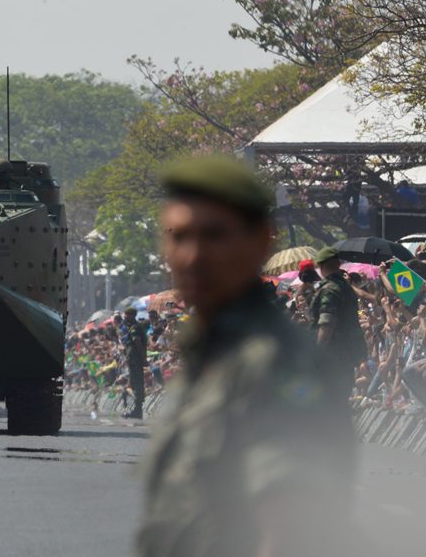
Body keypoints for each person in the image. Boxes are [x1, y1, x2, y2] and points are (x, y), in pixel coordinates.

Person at [137, 154, 357, 557]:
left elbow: (289, 532)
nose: (194, 256)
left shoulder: (275, 363)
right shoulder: (215, 352)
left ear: (260, 241)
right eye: (179, 236)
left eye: (214, 235)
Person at [311, 247, 367, 384]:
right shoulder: (347, 288)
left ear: (321, 266)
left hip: (332, 355)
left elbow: (327, 325)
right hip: (348, 353)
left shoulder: (330, 290)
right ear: (338, 264)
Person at [121, 307, 148, 418]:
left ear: (132, 315)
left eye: (127, 315)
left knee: (137, 384)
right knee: (132, 384)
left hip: (136, 359)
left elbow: (138, 343)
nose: (125, 317)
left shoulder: (135, 328)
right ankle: (134, 409)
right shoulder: (132, 327)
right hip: (133, 359)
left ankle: (137, 411)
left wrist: (143, 359)